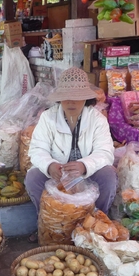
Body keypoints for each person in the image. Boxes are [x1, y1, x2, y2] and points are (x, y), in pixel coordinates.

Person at [25, 67, 117, 243]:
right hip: (58, 174)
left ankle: (97, 224)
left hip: (87, 174)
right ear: (59, 98)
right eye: (66, 97)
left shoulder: (97, 119)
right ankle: (46, 224)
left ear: (85, 98)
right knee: (33, 177)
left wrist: (84, 165)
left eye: (77, 97)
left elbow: (105, 151)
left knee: (108, 175)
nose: (71, 102)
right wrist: (50, 165)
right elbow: (37, 149)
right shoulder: (48, 118)